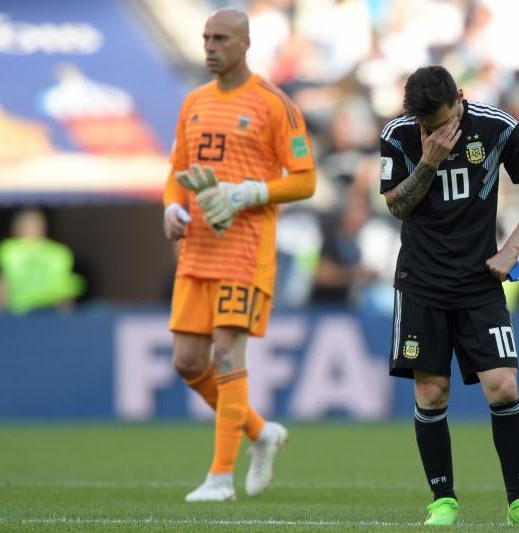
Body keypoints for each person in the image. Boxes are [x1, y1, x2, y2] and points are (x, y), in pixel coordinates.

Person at [379, 65, 519, 527]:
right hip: (421, 282)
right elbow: (396, 205)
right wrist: (428, 161)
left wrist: (512, 249)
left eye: (439, 123)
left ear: (459, 98)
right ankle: (443, 501)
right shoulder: (399, 135)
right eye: (425, 126)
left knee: (503, 384)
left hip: (479, 281)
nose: (433, 132)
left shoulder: (497, 127)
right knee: (432, 392)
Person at [162, 7, 317, 502]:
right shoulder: (193, 103)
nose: (210, 47)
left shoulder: (275, 104)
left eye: (221, 39)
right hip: (198, 248)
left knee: (228, 351)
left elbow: (305, 179)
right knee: (188, 363)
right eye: (206, 38)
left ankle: (220, 479)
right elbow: (177, 169)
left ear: (245, 43)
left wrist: (247, 193)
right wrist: (171, 207)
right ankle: (260, 431)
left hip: (246, 250)